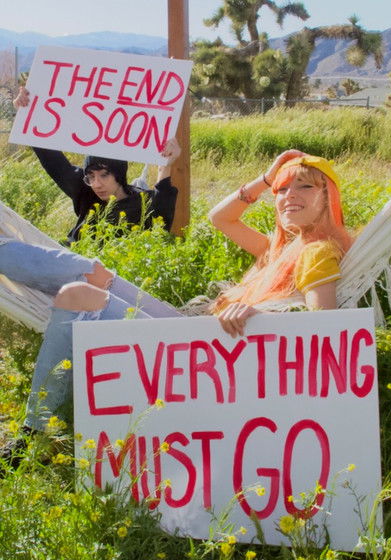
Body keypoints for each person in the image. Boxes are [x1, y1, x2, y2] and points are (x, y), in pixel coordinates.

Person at [0, 149, 352, 470]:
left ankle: (35, 432)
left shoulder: (315, 252)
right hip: (198, 338)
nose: (290, 196)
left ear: (328, 197)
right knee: (94, 273)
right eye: (282, 189)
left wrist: (259, 315)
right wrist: (266, 178)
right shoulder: (283, 250)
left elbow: (326, 330)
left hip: (203, 359)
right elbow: (220, 218)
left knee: (78, 293)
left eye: (305, 187)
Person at [12, 87, 180, 242]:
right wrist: (27, 112)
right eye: (90, 177)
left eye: (104, 175)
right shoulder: (86, 192)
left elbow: (163, 208)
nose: (96, 184)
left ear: (119, 174)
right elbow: (54, 162)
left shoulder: (145, 202)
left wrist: (166, 163)